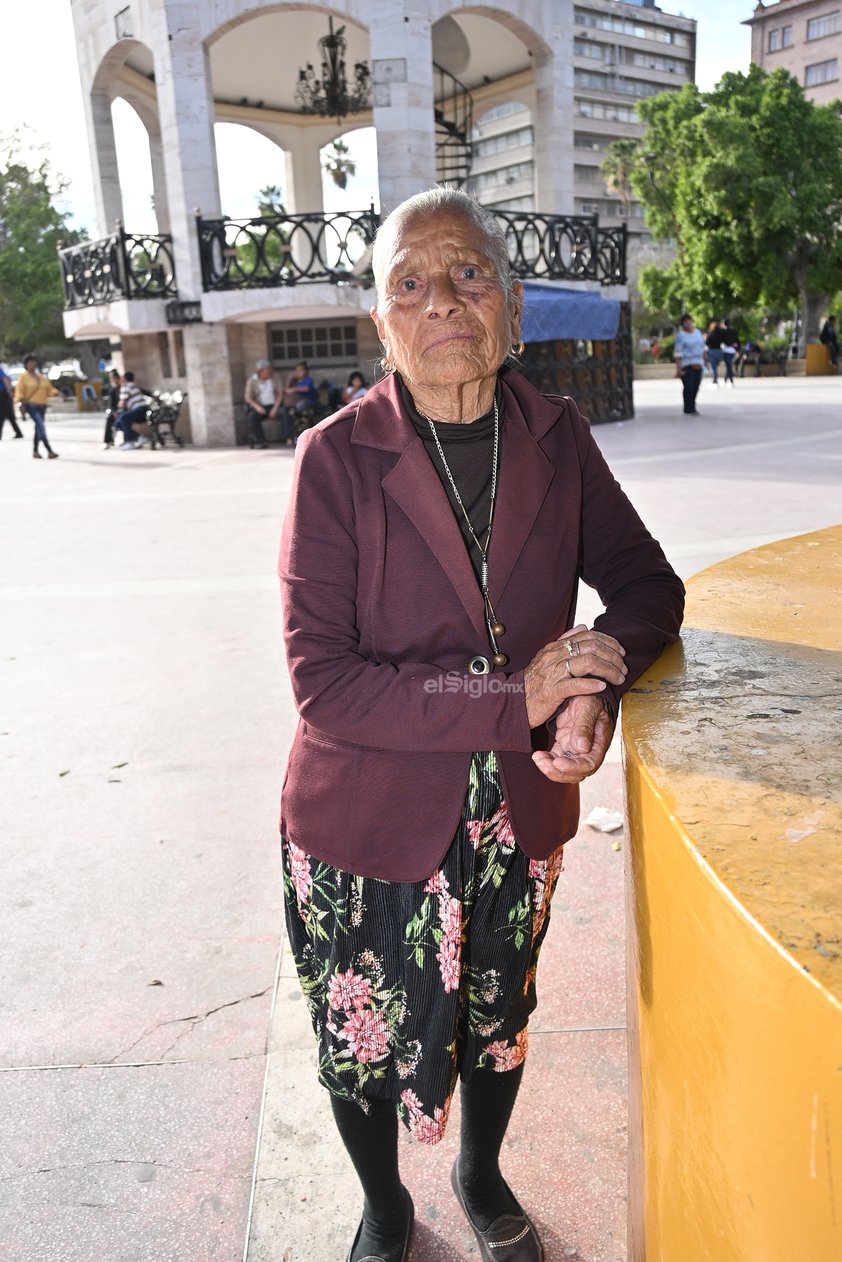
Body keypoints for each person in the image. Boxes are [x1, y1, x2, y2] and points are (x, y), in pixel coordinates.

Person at [278, 187, 685, 1262]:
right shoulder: (333, 457)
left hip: (518, 806)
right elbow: (323, 682)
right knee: (355, 1035)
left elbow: (645, 583)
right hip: (364, 814)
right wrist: (517, 696)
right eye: (408, 283)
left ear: (507, 302)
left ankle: (480, 1168)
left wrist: (594, 682)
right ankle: (381, 1202)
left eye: (466, 274)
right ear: (380, 324)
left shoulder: (555, 437)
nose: (441, 300)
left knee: (500, 1017)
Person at [14, 354, 60, 459]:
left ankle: (35, 451)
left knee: (38, 428)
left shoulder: (41, 378)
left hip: (42, 406)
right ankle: (49, 450)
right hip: (31, 405)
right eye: (30, 362)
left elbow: (50, 389)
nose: (33, 364)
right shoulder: (23, 377)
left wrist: (57, 393)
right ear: (26, 364)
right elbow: (19, 391)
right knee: (41, 426)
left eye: (34, 362)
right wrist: (20, 400)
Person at [244, 358, 282, 449]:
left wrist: (275, 408)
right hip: (261, 407)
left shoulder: (275, 377)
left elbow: (280, 393)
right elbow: (247, 397)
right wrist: (257, 407)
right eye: (268, 369)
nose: (270, 371)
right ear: (260, 371)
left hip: (274, 406)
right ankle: (260, 440)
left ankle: (289, 438)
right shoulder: (252, 381)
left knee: (285, 413)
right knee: (252, 417)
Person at [674, 313, 707, 415]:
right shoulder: (681, 336)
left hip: (698, 363)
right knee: (689, 387)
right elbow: (678, 353)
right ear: (683, 324)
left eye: (690, 321)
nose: (688, 324)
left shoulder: (697, 332)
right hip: (687, 364)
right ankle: (688, 408)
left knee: (696, 386)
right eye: (686, 322)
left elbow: (703, 347)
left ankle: (692, 405)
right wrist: (679, 368)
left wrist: (705, 360)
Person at [277, 360, 317, 441]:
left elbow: (306, 389)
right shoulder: (295, 382)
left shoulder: (308, 380)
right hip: (294, 404)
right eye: (297, 370)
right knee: (284, 412)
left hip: (306, 402)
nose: (298, 372)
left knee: (297, 408)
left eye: (300, 370)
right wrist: (290, 378)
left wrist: (294, 389)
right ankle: (290, 437)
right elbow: (286, 390)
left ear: (306, 371)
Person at [115, 371, 153, 449]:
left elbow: (122, 403)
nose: (120, 379)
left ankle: (130, 442)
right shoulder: (134, 385)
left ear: (125, 378)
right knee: (119, 422)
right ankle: (138, 438)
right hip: (143, 410)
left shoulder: (126, 386)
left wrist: (119, 405)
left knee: (123, 418)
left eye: (121, 377)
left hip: (140, 410)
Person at [0, 365, 24, 440]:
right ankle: (18, 433)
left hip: (3, 394)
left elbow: (5, 380)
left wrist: (10, 392)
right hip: (4, 395)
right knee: (10, 415)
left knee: (1, 415)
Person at [103, 369, 122, 449]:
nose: (114, 380)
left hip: (125, 410)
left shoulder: (124, 387)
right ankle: (107, 441)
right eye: (113, 378)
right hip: (116, 412)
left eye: (115, 378)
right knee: (109, 418)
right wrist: (114, 412)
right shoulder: (112, 391)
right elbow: (111, 405)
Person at [704, 318, 726, 387]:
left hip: (712, 351)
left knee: (713, 368)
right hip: (719, 352)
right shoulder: (721, 333)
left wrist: (706, 339)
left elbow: (707, 343)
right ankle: (715, 380)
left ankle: (714, 381)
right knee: (715, 367)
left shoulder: (710, 333)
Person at [720, 318, 740, 387]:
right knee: (729, 366)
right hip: (732, 350)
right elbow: (737, 341)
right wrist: (737, 349)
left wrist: (729, 344)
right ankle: (726, 380)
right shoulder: (734, 331)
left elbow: (723, 341)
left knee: (729, 366)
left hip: (726, 350)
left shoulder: (723, 331)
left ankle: (730, 381)